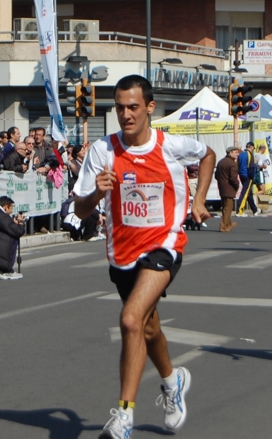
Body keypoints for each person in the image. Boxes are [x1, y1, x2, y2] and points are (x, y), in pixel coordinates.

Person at [73, 75, 215, 439]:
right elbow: (81, 207)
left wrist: (199, 199)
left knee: (131, 319)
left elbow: (208, 155)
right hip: (122, 251)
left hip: (163, 244)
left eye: (133, 107)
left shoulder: (170, 145)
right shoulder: (103, 151)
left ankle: (123, 415)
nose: (126, 114)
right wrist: (95, 195)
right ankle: (172, 382)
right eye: (119, 107)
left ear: (150, 107)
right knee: (147, 327)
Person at [215, 146, 240, 232]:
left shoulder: (221, 162)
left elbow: (216, 176)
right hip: (229, 188)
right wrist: (237, 185)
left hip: (222, 187)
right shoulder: (232, 163)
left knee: (225, 207)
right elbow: (233, 178)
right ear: (230, 153)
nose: (237, 154)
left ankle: (228, 224)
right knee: (228, 208)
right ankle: (223, 226)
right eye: (235, 152)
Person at [235, 142, 260, 217]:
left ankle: (254, 210)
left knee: (248, 193)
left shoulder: (241, 154)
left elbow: (238, 165)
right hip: (248, 176)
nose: (253, 149)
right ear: (251, 147)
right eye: (253, 148)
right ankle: (239, 210)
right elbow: (252, 167)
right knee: (245, 193)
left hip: (242, 175)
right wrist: (253, 177)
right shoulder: (249, 154)